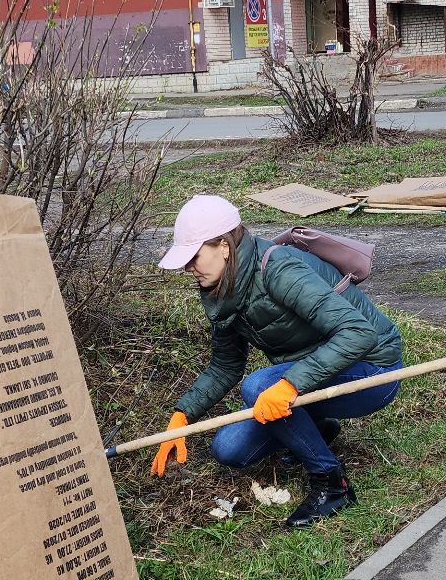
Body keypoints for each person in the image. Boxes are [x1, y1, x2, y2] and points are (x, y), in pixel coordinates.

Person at [150, 194, 405, 528]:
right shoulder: (223, 289)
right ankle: (316, 427)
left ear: (224, 246)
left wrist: (289, 384)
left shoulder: (279, 268)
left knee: (260, 386)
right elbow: (226, 365)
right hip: (319, 374)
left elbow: (358, 334)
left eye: (194, 256)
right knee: (229, 450)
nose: (188, 267)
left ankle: (332, 484)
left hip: (373, 370)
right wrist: (183, 416)